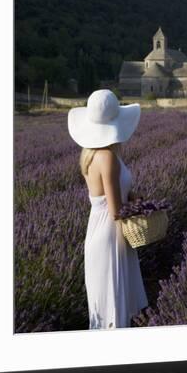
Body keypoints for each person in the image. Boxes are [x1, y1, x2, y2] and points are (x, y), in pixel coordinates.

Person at [68, 89, 148, 329]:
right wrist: (142, 209)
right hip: (111, 235)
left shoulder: (91, 155)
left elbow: (104, 196)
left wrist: (132, 196)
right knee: (114, 305)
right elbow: (115, 210)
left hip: (98, 231)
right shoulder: (108, 157)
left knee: (103, 306)